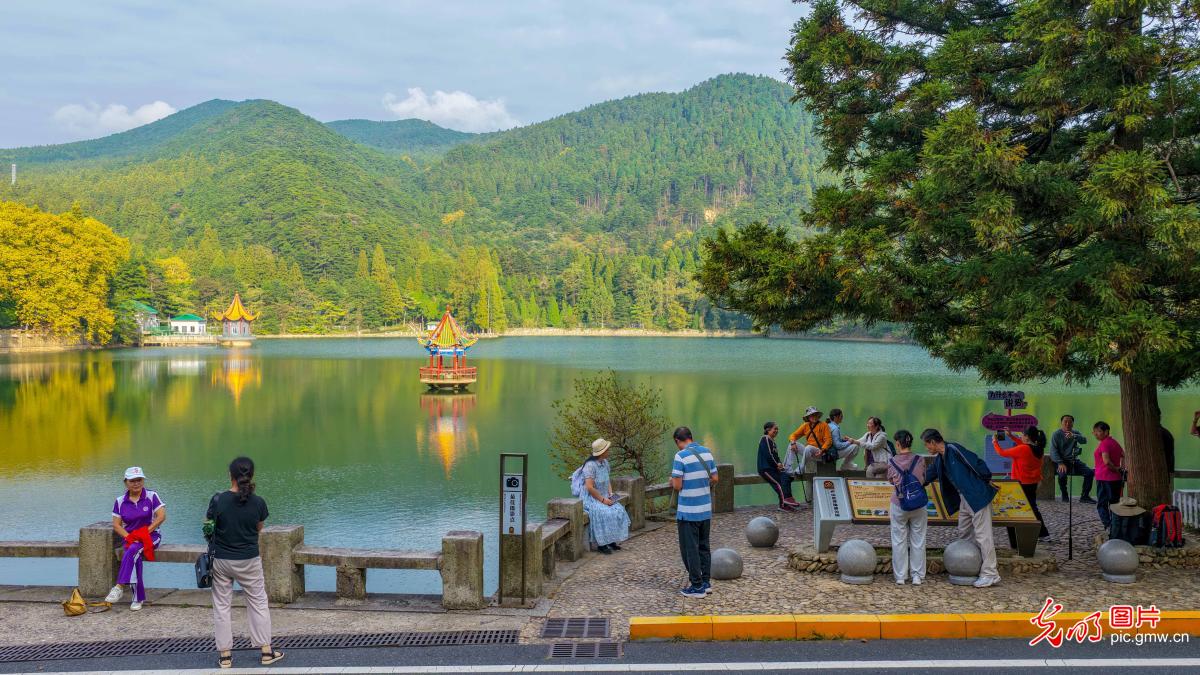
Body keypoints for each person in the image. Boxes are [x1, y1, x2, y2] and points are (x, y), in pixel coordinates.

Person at [208, 457, 282, 669]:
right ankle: (266, 651)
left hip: (221, 560)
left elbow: (207, 527)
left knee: (222, 606)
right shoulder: (258, 502)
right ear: (251, 475)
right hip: (249, 560)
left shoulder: (218, 500)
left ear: (229, 475)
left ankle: (225, 656)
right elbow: (259, 527)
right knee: (258, 602)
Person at [920, 429, 1000, 588]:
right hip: (964, 498)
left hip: (976, 496)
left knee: (984, 537)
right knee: (964, 533)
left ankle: (990, 574)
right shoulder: (940, 459)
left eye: (927, 444)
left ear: (933, 442)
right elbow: (929, 475)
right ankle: (970, 567)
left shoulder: (954, 449)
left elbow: (976, 462)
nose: (926, 448)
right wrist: (913, 484)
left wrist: (985, 479)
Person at [105, 466, 166, 611]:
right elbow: (117, 525)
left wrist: (144, 533)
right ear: (126, 482)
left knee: (131, 551)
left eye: (139, 480)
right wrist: (130, 537)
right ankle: (137, 599)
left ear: (143, 481)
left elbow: (161, 516)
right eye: (132, 480)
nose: (136, 483)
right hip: (131, 538)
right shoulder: (120, 501)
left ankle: (119, 586)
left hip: (152, 536)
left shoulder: (152, 496)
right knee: (134, 555)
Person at [670, 426, 716, 598]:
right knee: (704, 547)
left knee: (690, 549)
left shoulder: (680, 456)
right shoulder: (707, 452)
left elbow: (677, 485)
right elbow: (715, 478)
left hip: (688, 512)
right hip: (705, 510)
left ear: (677, 441)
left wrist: (673, 480)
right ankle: (706, 582)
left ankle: (696, 587)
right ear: (691, 437)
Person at [993, 426, 1050, 541]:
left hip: (1021, 483)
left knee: (1018, 508)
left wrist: (995, 442)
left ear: (1027, 437)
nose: (1021, 436)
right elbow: (1024, 445)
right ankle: (1042, 534)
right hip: (1032, 482)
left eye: (1022, 435)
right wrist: (1011, 436)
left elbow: (1002, 452)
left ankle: (1036, 534)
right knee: (1032, 507)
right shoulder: (1038, 448)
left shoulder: (1023, 449)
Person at [886, 430, 926, 585]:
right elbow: (922, 479)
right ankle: (917, 575)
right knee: (918, 539)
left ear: (897, 444)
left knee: (898, 540)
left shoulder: (892, 461)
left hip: (899, 503)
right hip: (918, 503)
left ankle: (901, 576)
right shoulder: (920, 459)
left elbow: (891, 480)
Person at [580, 438, 630, 554]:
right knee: (603, 512)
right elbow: (590, 487)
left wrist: (611, 494)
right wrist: (603, 500)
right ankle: (601, 544)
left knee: (618, 509)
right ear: (602, 452)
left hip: (604, 495)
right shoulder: (590, 466)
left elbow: (607, 481)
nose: (609, 451)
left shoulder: (605, 463)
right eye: (607, 449)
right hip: (592, 498)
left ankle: (611, 540)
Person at [1049, 415, 1095, 504]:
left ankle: (1084, 496)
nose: (1067, 424)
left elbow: (1084, 441)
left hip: (1074, 461)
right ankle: (1064, 495)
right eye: (1065, 421)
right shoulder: (1056, 434)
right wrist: (1060, 463)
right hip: (1061, 461)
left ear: (1073, 424)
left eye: (1070, 422)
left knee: (1089, 473)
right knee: (1062, 475)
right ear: (1061, 423)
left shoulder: (1075, 433)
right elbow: (1053, 450)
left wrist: (1074, 436)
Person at [758, 422, 799, 511]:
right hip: (765, 468)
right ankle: (783, 504)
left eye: (777, 429)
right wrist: (777, 465)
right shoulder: (765, 439)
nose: (776, 431)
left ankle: (788, 499)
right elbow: (768, 455)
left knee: (786, 477)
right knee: (778, 484)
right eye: (774, 429)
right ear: (768, 430)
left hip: (773, 468)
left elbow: (776, 457)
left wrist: (780, 465)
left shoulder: (772, 442)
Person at [1092, 422, 1125, 530]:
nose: (1095, 434)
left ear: (1106, 432)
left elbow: (1106, 461)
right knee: (1114, 504)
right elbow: (1123, 455)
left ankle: (1108, 525)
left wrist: (1115, 469)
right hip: (1116, 479)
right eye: (1094, 431)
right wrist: (1121, 469)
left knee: (1102, 504)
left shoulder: (1104, 443)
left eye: (1098, 431)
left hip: (1104, 479)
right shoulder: (1114, 442)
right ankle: (1115, 526)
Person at [786, 407, 834, 474]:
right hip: (808, 452)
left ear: (818, 416)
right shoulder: (805, 425)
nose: (814, 417)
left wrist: (822, 450)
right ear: (808, 417)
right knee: (792, 445)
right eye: (812, 415)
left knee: (808, 447)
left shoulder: (824, 425)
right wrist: (793, 443)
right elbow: (793, 435)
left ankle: (801, 468)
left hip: (819, 452)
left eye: (815, 415)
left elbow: (829, 440)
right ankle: (788, 468)